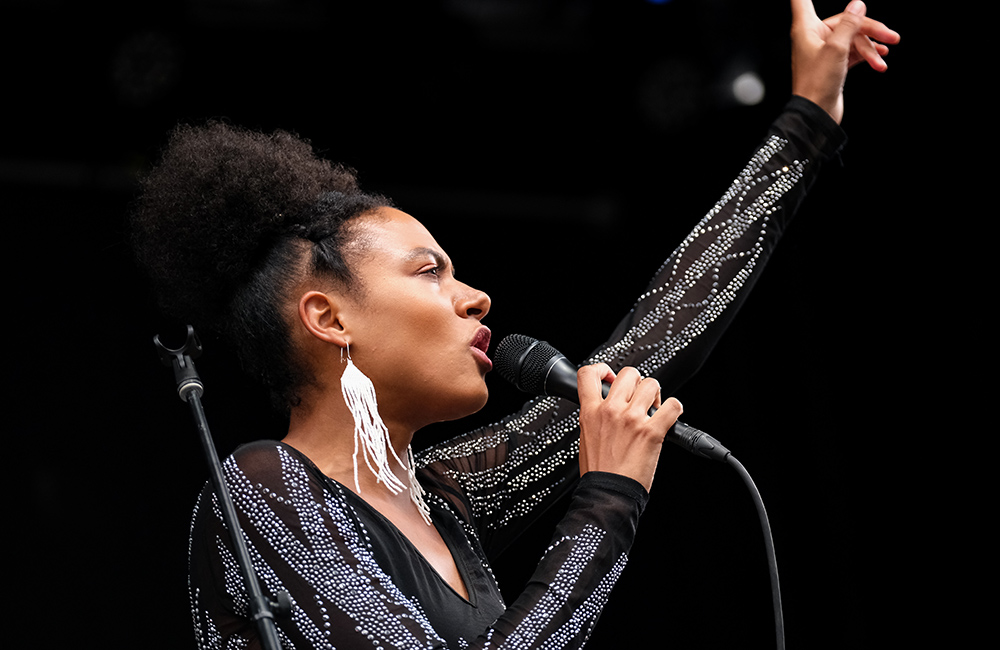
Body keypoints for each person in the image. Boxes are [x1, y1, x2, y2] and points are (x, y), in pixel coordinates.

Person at [130, 1, 898, 648]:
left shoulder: (442, 500)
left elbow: (655, 342)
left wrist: (805, 124)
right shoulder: (265, 489)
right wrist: (606, 505)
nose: (477, 298)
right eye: (430, 271)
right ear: (328, 317)